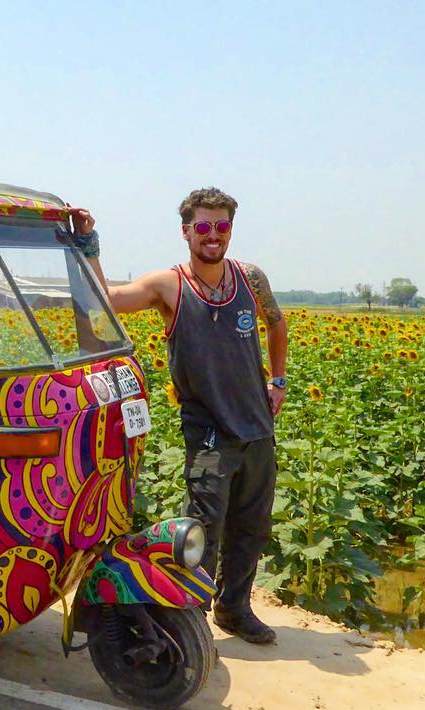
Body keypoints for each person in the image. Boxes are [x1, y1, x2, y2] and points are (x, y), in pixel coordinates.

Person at [70, 187, 288, 644]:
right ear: (187, 231)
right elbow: (105, 300)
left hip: (257, 429)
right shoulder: (168, 285)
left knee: (253, 526)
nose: (213, 235)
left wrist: (279, 380)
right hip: (209, 434)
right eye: (203, 226)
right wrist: (88, 245)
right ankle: (191, 617)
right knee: (205, 521)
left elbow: (277, 322)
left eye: (222, 226)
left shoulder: (250, 278)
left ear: (231, 230)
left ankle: (234, 610)